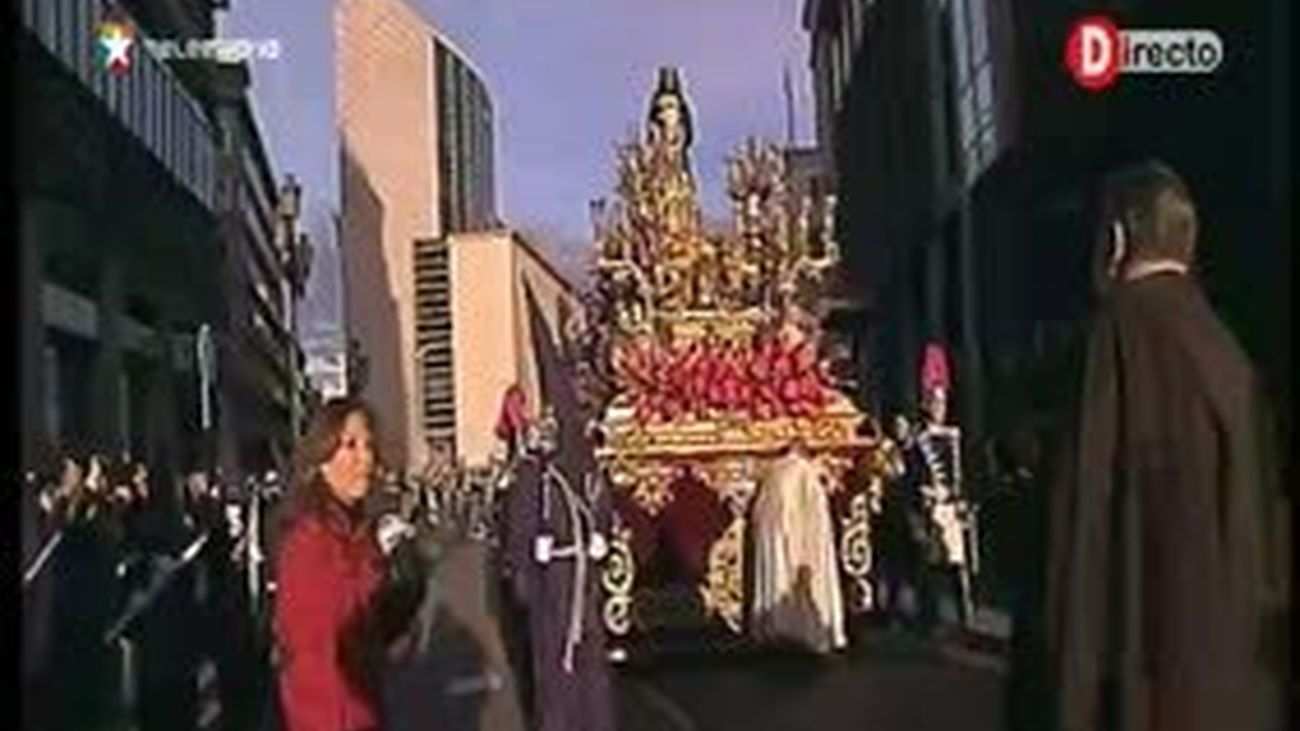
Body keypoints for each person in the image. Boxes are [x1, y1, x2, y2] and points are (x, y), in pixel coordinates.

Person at [1042, 161, 1272, 731]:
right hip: (1224, 686)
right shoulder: (1227, 352)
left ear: (1116, 238)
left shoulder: (1114, 337)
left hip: (1136, 686)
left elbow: (1082, 530)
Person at [273, 397, 424, 731]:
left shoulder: (354, 528)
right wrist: (379, 562)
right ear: (322, 458)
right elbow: (334, 632)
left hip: (361, 707)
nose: (365, 459)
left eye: (369, 446)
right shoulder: (308, 538)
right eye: (350, 446)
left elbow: (374, 629)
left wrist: (409, 588)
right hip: (330, 713)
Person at [750, 437, 847, 653]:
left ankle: (777, 628)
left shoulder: (774, 472)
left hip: (778, 540)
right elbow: (816, 520)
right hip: (800, 544)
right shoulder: (805, 472)